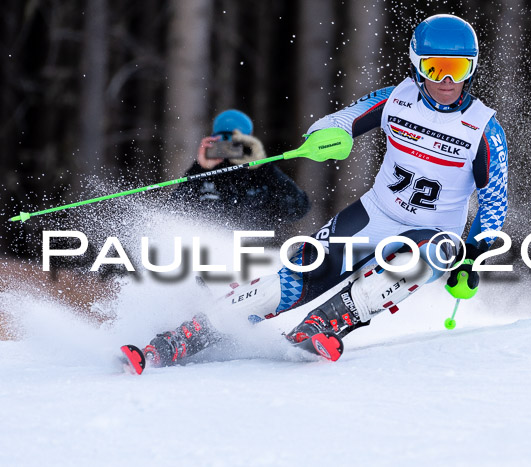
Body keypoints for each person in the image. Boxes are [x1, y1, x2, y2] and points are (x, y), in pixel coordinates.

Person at [121, 14, 509, 372]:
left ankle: (323, 325)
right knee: (297, 274)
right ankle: (180, 338)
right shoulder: (396, 99)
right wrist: (331, 135)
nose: (445, 81)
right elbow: (341, 119)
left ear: (471, 69)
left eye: (457, 69)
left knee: (428, 257)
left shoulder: (483, 129)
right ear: (416, 65)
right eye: (433, 67)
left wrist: (471, 255)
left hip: (433, 230)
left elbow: (495, 203)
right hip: (376, 214)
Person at [171, 109, 311, 228]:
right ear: (214, 139)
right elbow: (172, 213)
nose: (229, 146)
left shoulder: (262, 175)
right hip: (209, 250)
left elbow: (299, 207)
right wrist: (200, 169)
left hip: (255, 251)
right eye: (223, 138)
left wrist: (264, 167)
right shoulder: (204, 174)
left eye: (235, 140)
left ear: (248, 140)